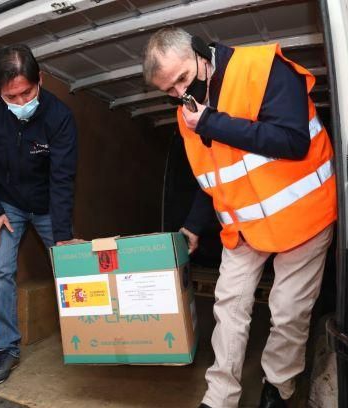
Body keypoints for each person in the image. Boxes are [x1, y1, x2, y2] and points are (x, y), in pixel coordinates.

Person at [143, 27, 336, 408]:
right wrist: (193, 226)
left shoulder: (263, 69)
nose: (180, 93)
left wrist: (213, 122)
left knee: (287, 310)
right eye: (168, 90)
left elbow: (292, 141)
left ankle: (278, 388)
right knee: (228, 304)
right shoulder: (188, 115)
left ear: (201, 53)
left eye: (183, 78)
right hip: (244, 225)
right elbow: (213, 176)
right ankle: (220, 397)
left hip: (303, 216)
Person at [0, 44, 78, 386]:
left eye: (26, 93)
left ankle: (87, 337)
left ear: (39, 80)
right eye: (10, 96)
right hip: (8, 204)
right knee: (1, 270)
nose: (18, 101)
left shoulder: (59, 117)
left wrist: (61, 235)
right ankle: (6, 349)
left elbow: (62, 179)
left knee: (71, 265)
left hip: (47, 204)